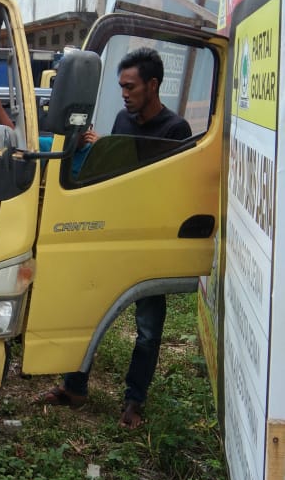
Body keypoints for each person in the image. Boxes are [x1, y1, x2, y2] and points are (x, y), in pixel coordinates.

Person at [37, 46, 192, 428]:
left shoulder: (176, 130)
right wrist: (103, 147)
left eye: (131, 86)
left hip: (150, 239)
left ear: (153, 85)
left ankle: (134, 403)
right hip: (112, 229)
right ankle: (74, 388)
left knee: (148, 330)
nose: (124, 93)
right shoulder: (123, 119)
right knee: (85, 309)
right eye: (122, 86)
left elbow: (163, 185)